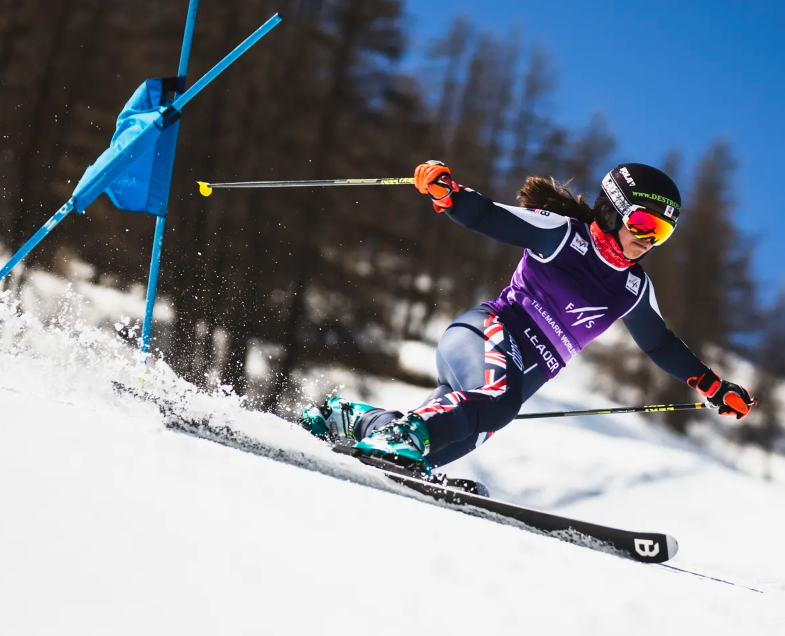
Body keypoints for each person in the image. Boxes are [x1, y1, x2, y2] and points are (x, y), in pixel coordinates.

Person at [302, 160, 754, 472]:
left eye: (662, 232)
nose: (648, 239)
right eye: (643, 224)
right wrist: (448, 195)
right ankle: (405, 433)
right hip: (485, 335)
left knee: (439, 449)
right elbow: (490, 217)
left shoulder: (634, 288)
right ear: (611, 211)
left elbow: (659, 344)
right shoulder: (563, 235)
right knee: (496, 401)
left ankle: (350, 419)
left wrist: (714, 386)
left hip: (509, 381)